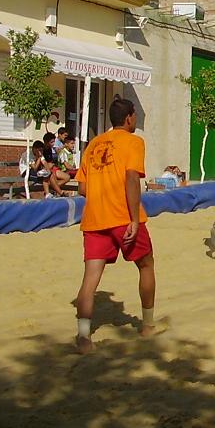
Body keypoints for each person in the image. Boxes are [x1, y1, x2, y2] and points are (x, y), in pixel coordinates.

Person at [73, 97, 156, 354]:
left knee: (90, 278)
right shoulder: (134, 142)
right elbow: (132, 178)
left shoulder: (93, 144)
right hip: (123, 216)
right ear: (130, 117)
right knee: (146, 264)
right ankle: (148, 326)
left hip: (95, 219)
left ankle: (84, 338)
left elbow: (83, 188)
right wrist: (133, 218)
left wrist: (101, 197)